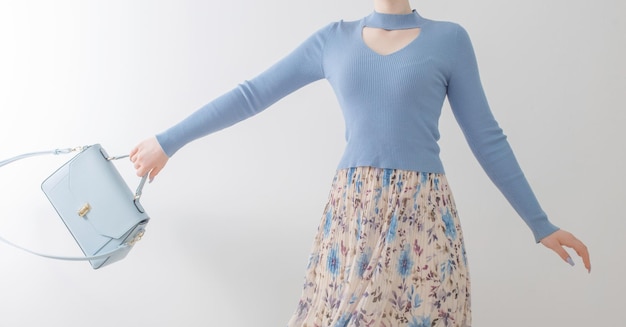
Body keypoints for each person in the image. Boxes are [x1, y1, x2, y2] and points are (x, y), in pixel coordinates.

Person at [130, 0, 591, 326]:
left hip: (423, 219)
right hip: (353, 219)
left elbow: (486, 137)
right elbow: (252, 95)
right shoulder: (334, 40)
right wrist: (168, 141)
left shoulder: (450, 40)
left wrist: (540, 223)